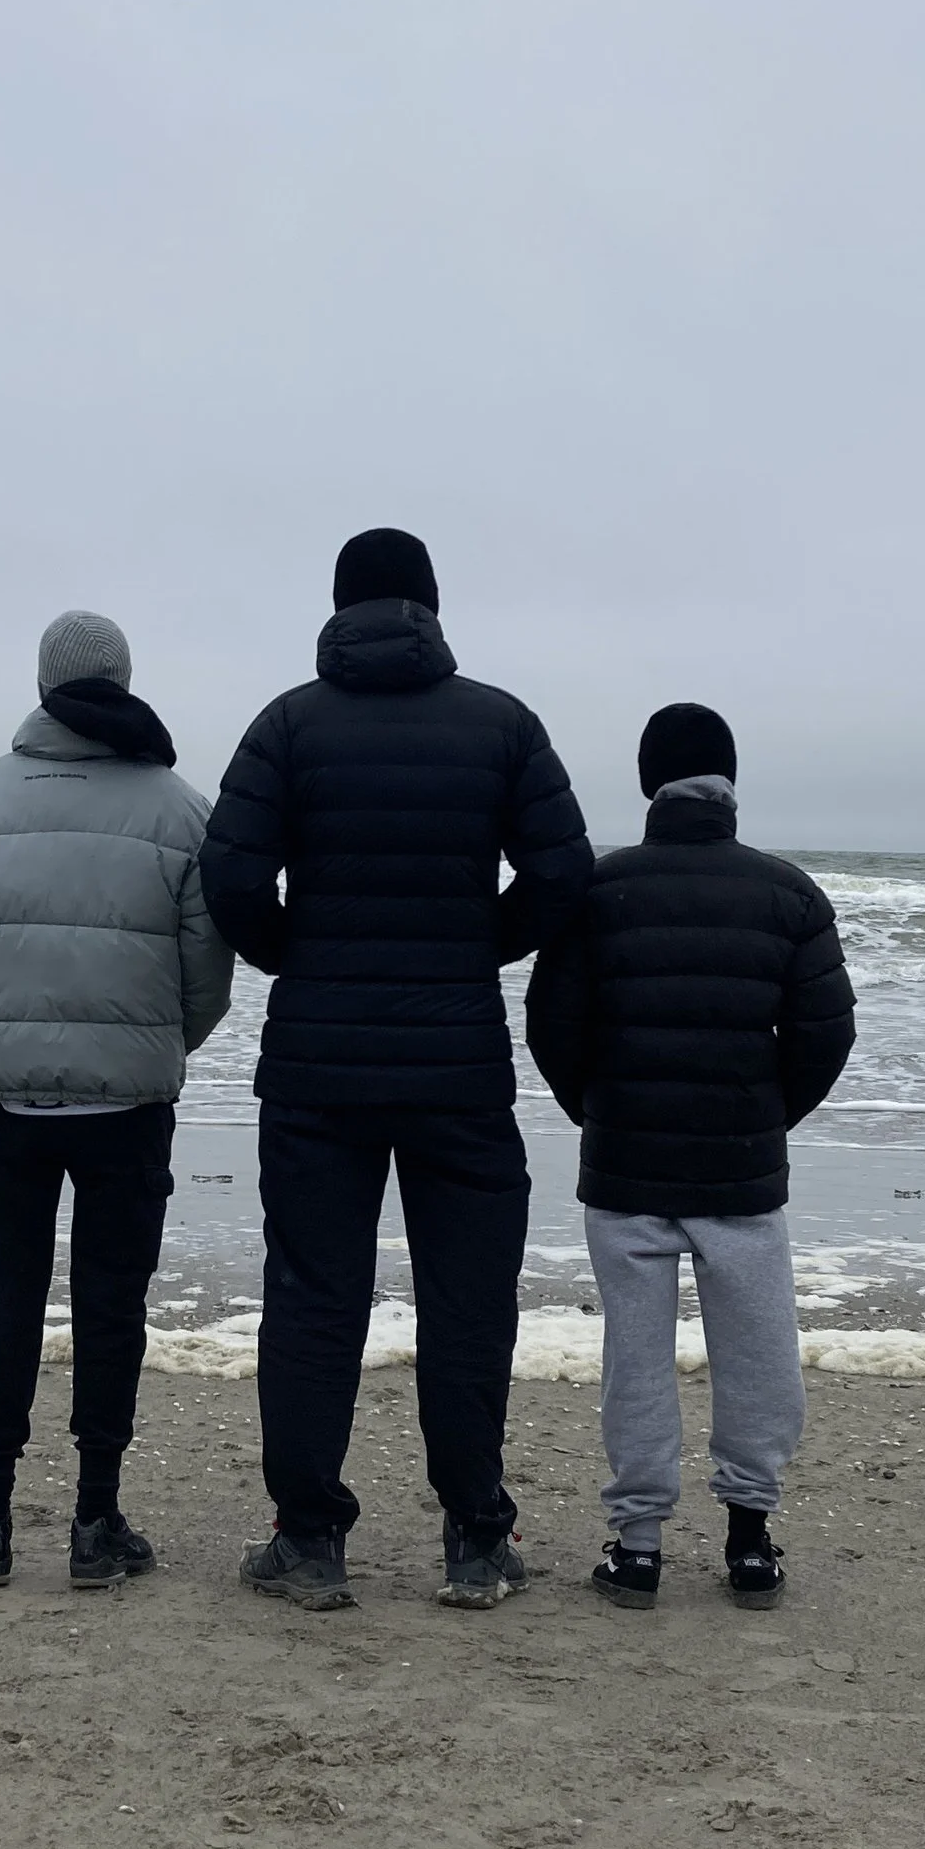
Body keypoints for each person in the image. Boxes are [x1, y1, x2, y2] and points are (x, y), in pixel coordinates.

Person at [200, 529, 591, 1610]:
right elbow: (562, 873)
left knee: (314, 1298)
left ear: (338, 608)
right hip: (457, 1064)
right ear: (430, 607)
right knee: (468, 1303)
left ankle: (311, 1540)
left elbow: (229, 877)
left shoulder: (288, 723)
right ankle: (473, 1540)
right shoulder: (500, 723)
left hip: (317, 1067)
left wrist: (299, 954)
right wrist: (478, 947)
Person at [0, 610, 232, 1591]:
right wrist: (157, 1045)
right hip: (127, 1111)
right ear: (124, 682)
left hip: (5, 1109)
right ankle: (95, 1520)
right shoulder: (180, 810)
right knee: (111, 1303)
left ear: (43, 685)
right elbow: (207, 968)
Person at [525, 701, 854, 1610]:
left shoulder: (600, 889)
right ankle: (750, 1541)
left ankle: (638, 1548)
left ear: (647, 783)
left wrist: (593, 1107)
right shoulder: (787, 893)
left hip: (625, 1160)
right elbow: (827, 1033)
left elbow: (553, 1023)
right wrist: (769, 1115)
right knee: (757, 1351)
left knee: (635, 1356)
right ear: (731, 783)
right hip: (740, 1165)